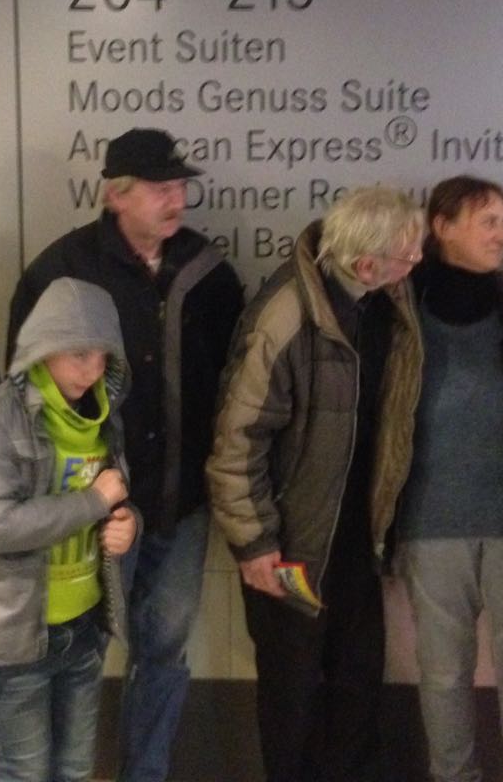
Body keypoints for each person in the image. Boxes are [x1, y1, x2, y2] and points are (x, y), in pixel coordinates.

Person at [7, 128, 243, 782]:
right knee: (76, 652)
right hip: (93, 508)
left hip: (181, 506)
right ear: (117, 194)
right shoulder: (62, 272)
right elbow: (23, 395)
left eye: (181, 186)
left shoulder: (209, 273)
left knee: (163, 653)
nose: (178, 200)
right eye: (161, 188)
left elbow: (237, 382)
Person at [206, 186, 425, 782]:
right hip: (292, 548)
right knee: (292, 695)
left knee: (358, 684)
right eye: (407, 254)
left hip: (355, 541)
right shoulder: (285, 317)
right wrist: (254, 544)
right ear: (365, 264)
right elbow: (237, 442)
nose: (416, 263)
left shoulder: (387, 301)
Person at [0, 277, 139, 782]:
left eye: (102, 356)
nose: (91, 370)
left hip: (84, 627)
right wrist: (95, 502)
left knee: (75, 770)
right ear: (42, 348)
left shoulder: (103, 416)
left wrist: (127, 524)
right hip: (16, 639)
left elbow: (114, 496)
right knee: (25, 772)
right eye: (77, 354)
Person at [397, 176, 503, 782]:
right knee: (442, 676)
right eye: (488, 221)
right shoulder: (399, 308)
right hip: (429, 521)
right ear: (442, 226)